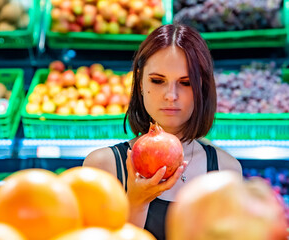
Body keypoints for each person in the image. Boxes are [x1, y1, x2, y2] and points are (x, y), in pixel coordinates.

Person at [83, 23, 242, 240]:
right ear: (139, 82)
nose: (170, 95)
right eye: (157, 81)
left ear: (202, 87)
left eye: (185, 83)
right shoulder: (101, 167)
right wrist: (137, 202)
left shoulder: (226, 171)